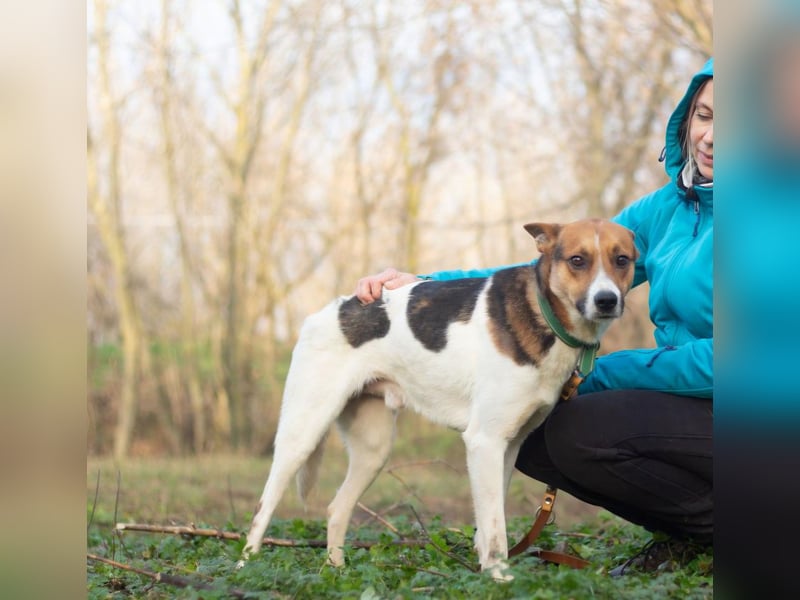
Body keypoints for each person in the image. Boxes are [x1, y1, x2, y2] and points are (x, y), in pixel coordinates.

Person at [355, 59, 714, 574]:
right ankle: (689, 537)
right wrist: (428, 284)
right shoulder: (670, 208)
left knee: (578, 428)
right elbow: (550, 270)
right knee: (532, 425)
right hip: (689, 399)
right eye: (704, 115)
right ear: (687, 119)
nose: (711, 137)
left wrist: (595, 373)